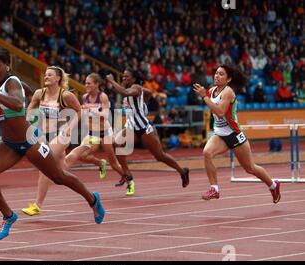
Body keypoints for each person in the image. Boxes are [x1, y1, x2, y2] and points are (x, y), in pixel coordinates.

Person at [0, 48, 104, 240]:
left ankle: (93, 200)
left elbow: (18, 104)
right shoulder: (9, 85)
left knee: (59, 176)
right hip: (8, 143)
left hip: (29, 141)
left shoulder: (11, 82)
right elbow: (26, 92)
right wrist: (32, 94)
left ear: (7, 65)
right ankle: (9, 216)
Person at [21, 66, 103, 216]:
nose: (46, 77)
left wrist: (70, 127)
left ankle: (37, 205)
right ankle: (85, 145)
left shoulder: (65, 95)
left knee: (45, 163)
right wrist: (28, 122)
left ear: (58, 78)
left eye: (50, 75)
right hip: (45, 135)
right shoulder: (40, 93)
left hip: (62, 134)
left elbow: (79, 110)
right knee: (61, 170)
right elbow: (30, 109)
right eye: (45, 75)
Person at [193, 64, 280, 203]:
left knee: (250, 168)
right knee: (207, 153)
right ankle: (214, 188)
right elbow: (211, 104)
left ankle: (273, 185)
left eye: (221, 74)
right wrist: (205, 96)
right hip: (220, 135)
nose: (217, 76)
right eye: (216, 73)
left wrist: (204, 97)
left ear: (228, 79)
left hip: (234, 134)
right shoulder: (211, 90)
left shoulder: (228, 92)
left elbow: (220, 112)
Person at [106, 70, 190, 196]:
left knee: (159, 156)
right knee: (117, 143)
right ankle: (127, 174)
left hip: (143, 127)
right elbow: (149, 93)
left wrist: (112, 80)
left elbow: (124, 92)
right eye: (123, 76)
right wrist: (143, 101)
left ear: (134, 79)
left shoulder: (136, 88)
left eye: (126, 76)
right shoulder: (130, 87)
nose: (124, 78)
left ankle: (182, 171)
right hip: (131, 127)